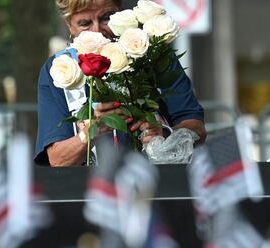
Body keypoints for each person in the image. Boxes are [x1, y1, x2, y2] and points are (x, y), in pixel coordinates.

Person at [35, 0, 208, 166]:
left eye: (107, 17)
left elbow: (197, 128)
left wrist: (165, 135)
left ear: (121, 9)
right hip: (91, 190)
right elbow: (57, 160)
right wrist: (88, 134)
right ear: (69, 25)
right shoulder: (60, 70)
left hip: (155, 184)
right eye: (85, 23)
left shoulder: (153, 53)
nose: (97, 31)